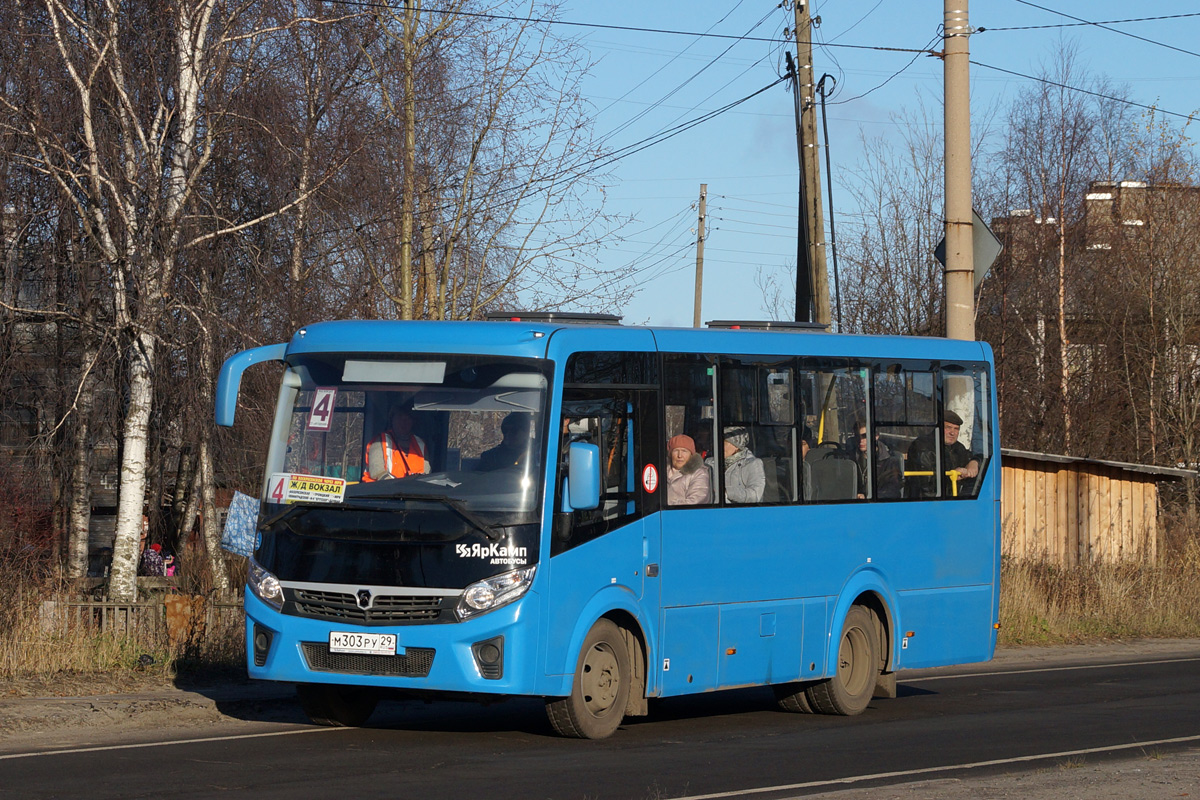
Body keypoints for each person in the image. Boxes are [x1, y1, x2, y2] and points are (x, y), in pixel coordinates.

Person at [905, 410, 980, 498]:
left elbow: (981, 458)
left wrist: (974, 462)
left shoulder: (959, 448)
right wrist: (952, 476)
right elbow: (925, 482)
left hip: (952, 501)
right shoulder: (922, 446)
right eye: (948, 427)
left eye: (956, 429)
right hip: (926, 502)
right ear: (938, 427)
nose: (952, 433)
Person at [363, 404, 430, 481]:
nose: (404, 422)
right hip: (382, 492)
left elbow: (427, 473)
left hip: (416, 492)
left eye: (407, 418)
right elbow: (377, 473)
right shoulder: (380, 442)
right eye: (400, 418)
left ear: (412, 421)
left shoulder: (420, 444)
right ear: (392, 420)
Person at [707, 426, 765, 504]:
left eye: (724, 443)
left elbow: (755, 495)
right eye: (717, 442)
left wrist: (727, 492)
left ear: (736, 446)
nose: (719, 446)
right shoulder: (710, 463)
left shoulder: (753, 464)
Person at [853, 423, 903, 499]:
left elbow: (893, 491)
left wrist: (868, 497)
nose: (860, 440)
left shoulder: (890, 461)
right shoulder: (851, 459)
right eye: (857, 436)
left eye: (864, 436)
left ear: (876, 436)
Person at [666, 434, 710, 506]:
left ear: (691, 454)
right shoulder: (660, 471)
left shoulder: (699, 473)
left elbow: (696, 500)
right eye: (676, 451)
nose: (680, 455)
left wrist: (666, 505)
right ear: (670, 454)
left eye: (684, 451)